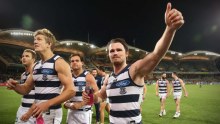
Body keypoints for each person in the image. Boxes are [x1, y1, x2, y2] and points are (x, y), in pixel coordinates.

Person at [83, 2, 184, 123]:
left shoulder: (133, 70)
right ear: (108, 55)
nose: (115, 52)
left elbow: (155, 55)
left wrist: (170, 29)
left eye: (119, 50)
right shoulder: (108, 79)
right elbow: (99, 97)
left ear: (126, 53)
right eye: (112, 51)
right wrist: (89, 97)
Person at [7, 28, 75, 124]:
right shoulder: (36, 65)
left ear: (49, 44)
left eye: (39, 39)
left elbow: (71, 91)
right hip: (37, 112)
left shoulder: (59, 62)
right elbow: (26, 89)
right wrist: (15, 86)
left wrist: (47, 104)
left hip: (51, 112)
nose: (35, 41)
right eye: (34, 39)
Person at [64, 53, 99, 124]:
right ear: (70, 63)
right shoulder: (68, 77)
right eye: (72, 61)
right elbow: (64, 96)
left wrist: (81, 104)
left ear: (82, 63)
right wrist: (67, 104)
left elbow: (96, 96)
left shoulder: (88, 77)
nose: (74, 62)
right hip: (71, 112)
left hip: (84, 113)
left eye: (77, 60)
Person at [15, 49, 37, 124]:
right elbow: (24, 92)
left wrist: (29, 112)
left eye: (27, 56)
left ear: (33, 59)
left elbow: (40, 96)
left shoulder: (37, 74)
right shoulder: (23, 75)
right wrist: (14, 86)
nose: (24, 58)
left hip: (33, 110)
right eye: (23, 56)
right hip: (22, 108)